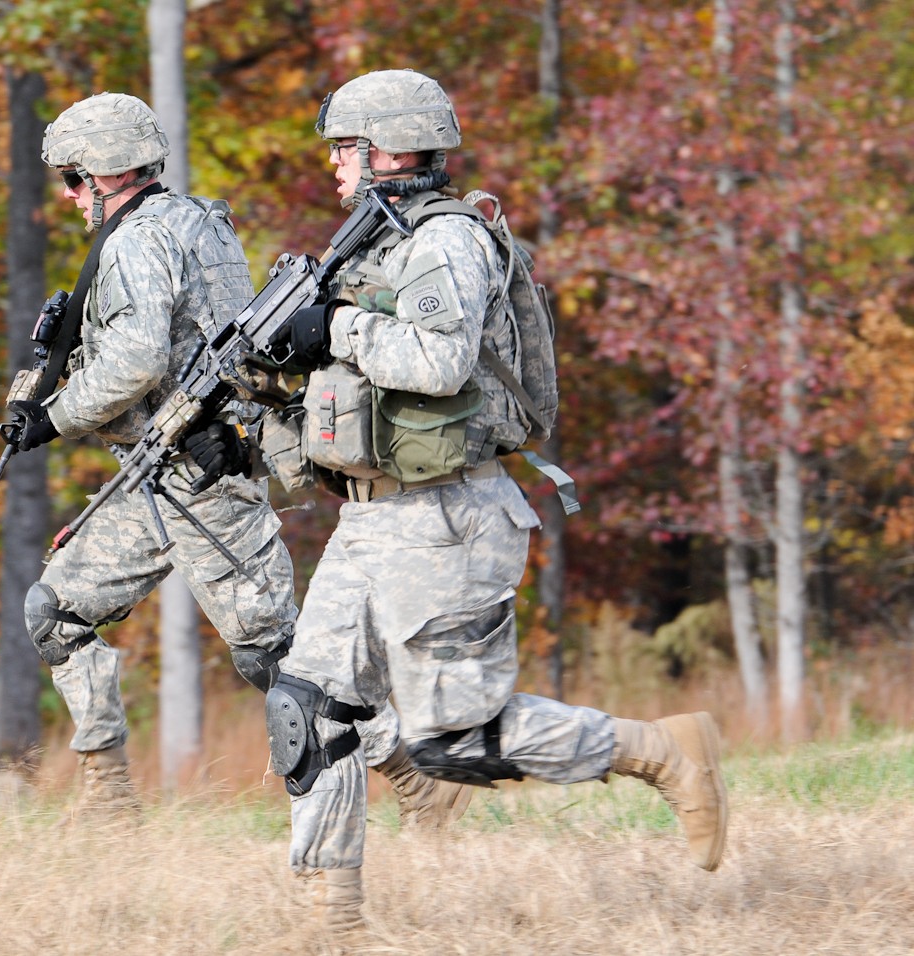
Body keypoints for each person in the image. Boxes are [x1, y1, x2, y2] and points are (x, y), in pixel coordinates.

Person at [209, 70, 728, 931]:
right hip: (372, 518)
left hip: (449, 519)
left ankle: (660, 751)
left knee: (456, 742)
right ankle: (329, 926)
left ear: (393, 148)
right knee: (310, 705)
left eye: (346, 147)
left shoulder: (449, 241)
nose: (335, 165)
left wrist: (331, 326)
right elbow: (359, 388)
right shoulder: (374, 244)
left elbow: (439, 365)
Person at [11, 92, 467, 825]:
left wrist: (51, 419)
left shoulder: (138, 241)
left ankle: (415, 780)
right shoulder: (197, 219)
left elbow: (134, 361)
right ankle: (107, 799)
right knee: (56, 611)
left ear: (104, 171)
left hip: (207, 475)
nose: (68, 197)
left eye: (72, 179)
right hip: (154, 473)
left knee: (282, 660)